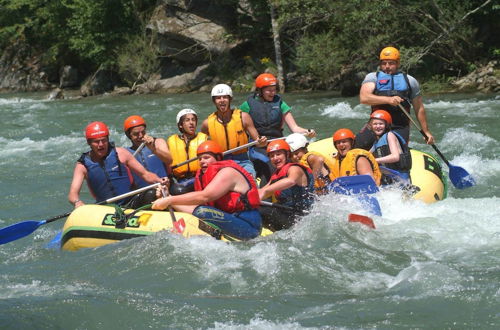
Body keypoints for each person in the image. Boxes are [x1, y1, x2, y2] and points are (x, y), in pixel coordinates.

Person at [151, 141, 262, 240]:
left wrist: (170, 200)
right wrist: (166, 198)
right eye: (199, 159)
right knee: (202, 211)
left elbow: (205, 197)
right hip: (230, 220)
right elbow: (196, 209)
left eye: (206, 157)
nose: (201, 161)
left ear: (218, 158)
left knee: (203, 212)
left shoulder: (228, 172)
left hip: (249, 226)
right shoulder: (205, 177)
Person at [239, 73, 316, 182]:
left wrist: (307, 131)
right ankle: (267, 195)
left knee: (292, 164)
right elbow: (237, 126)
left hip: (278, 143)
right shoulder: (247, 105)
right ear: (260, 91)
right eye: (269, 90)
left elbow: (294, 128)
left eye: (274, 89)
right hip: (258, 146)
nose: (273, 93)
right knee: (269, 164)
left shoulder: (280, 104)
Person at [68, 121, 164, 208]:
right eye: (96, 142)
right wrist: (77, 202)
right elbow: (73, 194)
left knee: (152, 193)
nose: (101, 144)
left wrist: (160, 180)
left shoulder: (121, 153)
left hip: (130, 202)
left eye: (104, 140)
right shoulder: (82, 165)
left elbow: (145, 174)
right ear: (89, 143)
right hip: (105, 208)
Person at [357, 46, 434, 150]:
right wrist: (388, 100)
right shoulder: (373, 77)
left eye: (391, 63)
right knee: (360, 144)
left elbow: (419, 108)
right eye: (384, 63)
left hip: (400, 126)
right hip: (376, 125)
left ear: (398, 63)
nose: (387, 66)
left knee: (394, 152)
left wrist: (426, 131)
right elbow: (364, 98)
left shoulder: (410, 81)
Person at [200, 83, 266, 178]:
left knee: (250, 181)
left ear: (230, 99)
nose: (222, 100)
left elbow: (259, 143)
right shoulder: (207, 124)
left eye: (225, 97)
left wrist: (262, 142)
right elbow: (201, 148)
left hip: (242, 161)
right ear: (214, 101)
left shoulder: (244, 117)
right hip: (220, 162)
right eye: (218, 98)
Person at [258, 140, 315, 231]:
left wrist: (265, 191)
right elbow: (261, 192)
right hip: (286, 213)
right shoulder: (275, 175)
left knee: (262, 211)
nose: (275, 158)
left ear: (287, 155)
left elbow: (291, 181)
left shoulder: (294, 168)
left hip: (301, 216)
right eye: (272, 156)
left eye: (278, 154)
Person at [166, 108, 208, 195]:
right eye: (187, 120)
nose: (191, 123)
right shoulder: (171, 141)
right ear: (181, 125)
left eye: (193, 120)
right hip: (179, 180)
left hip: (199, 177)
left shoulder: (204, 139)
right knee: (178, 190)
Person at [123, 115, 171, 188]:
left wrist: (153, 149)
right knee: (150, 194)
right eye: (136, 134)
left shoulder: (158, 142)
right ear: (129, 136)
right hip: (143, 192)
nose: (140, 136)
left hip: (164, 186)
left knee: (180, 190)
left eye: (143, 132)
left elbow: (169, 160)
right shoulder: (125, 153)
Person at [368, 110, 412, 183]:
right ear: (371, 126)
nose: (378, 126)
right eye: (375, 124)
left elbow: (395, 157)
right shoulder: (376, 143)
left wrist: (375, 160)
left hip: (401, 177)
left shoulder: (390, 135)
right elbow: (366, 155)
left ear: (387, 125)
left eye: (381, 124)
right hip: (389, 178)